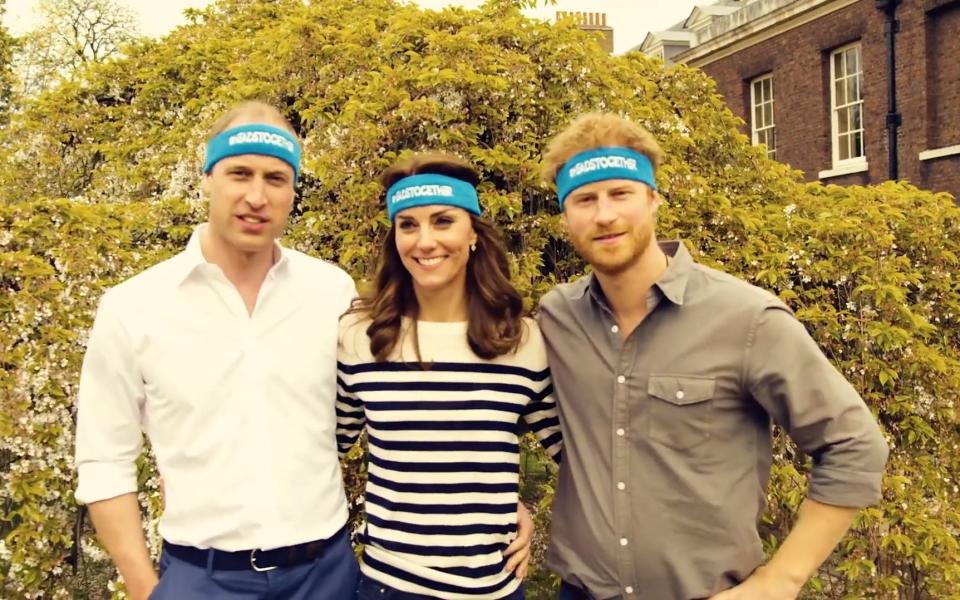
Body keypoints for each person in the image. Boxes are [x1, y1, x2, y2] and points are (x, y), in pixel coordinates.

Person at [536, 113, 889, 600]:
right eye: (585, 199)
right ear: (565, 216)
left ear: (654, 199)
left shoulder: (746, 318)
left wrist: (780, 581)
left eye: (621, 194)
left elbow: (854, 444)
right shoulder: (557, 318)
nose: (604, 215)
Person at [74, 101, 360, 599]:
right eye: (239, 173)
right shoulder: (133, 306)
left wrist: (496, 498)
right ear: (207, 177)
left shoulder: (331, 292)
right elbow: (104, 461)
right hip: (201, 578)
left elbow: (392, 404)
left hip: (325, 573)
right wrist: (147, 589)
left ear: (293, 189)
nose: (256, 195)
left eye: (275, 178)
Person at [336, 152, 563, 600]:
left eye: (443, 221)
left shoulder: (522, 341)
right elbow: (321, 453)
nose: (424, 241)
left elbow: (580, 460)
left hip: (493, 590)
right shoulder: (360, 337)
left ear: (473, 234)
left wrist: (511, 507)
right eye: (408, 225)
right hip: (390, 586)